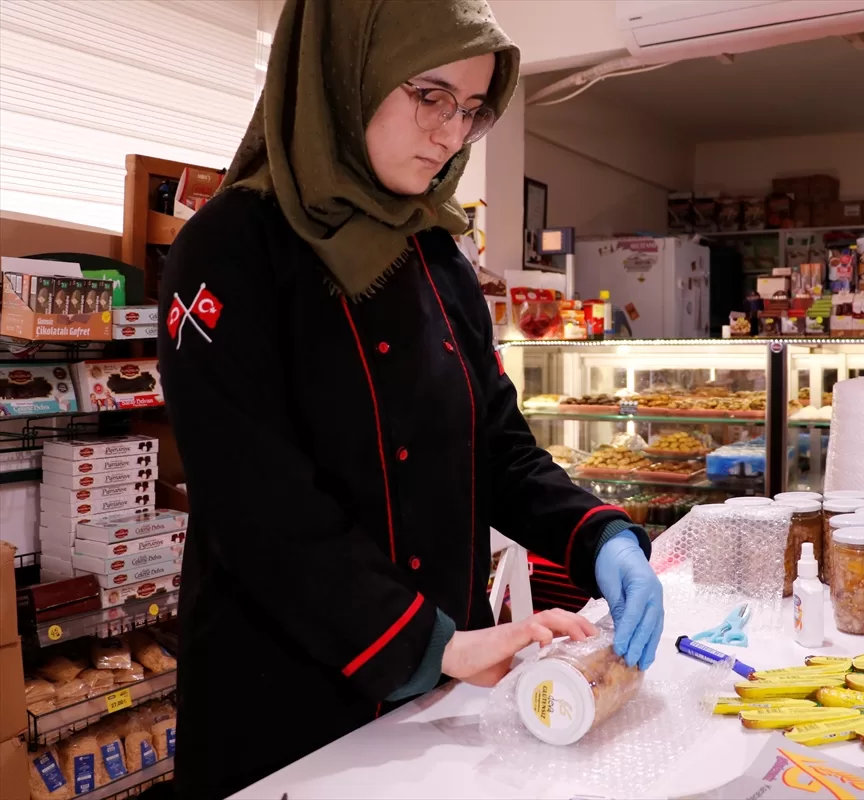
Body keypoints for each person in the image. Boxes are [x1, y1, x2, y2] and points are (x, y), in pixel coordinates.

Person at [157, 1, 663, 797]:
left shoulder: (437, 254)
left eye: (469, 110)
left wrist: (599, 537)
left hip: (439, 699)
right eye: (429, 95)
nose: (449, 133)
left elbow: (497, 446)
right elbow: (259, 507)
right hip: (286, 710)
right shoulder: (230, 247)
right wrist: (432, 645)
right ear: (345, 76)